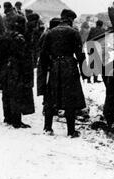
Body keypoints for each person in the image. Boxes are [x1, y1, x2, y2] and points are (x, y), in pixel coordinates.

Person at [37, 9, 86, 137]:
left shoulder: (50, 33)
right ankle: (71, 131)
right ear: (70, 19)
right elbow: (80, 54)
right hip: (69, 66)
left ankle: (47, 128)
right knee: (70, 97)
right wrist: (84, 71)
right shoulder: (74, 32)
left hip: (54, 67)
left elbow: (43, 54)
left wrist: (46, 67)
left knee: (50, 97)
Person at [0, 14, 35, 128]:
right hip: (17, 68)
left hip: (5, 67)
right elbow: (23, 56)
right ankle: (16, 120)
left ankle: (7, 117)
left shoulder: (5, 35)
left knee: (7, 93)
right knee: (17, 93)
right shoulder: (19, 38)